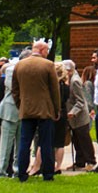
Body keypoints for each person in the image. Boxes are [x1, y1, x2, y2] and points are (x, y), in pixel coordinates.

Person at [13, 40, 61, 182]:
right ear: (41, 50)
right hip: (45, 110)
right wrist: (56, 108)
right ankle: (47, 174)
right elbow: (54, 89)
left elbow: (14, 90)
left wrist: (20, 105)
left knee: (24, 142)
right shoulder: (48, 65)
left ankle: (22, 173)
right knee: (46, 142)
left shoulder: (19, 65)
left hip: (26, 109)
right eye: (46, 50)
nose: (47, 53)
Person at [0, 49, 30, 178]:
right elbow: (13, 87)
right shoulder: (11, 70)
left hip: (25, 112)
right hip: (10, 111)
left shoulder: (29, 72)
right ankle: (1, 170)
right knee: (6, 144)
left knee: (21, 143)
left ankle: (18, 170)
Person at [62, 59, 96, 171]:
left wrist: (73, 112)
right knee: (76, 139)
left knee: (84, 140)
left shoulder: (75, 81)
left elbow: (81, 101)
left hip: (80, 117)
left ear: (69, 70)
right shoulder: (70, 79)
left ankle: (91, 161)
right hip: (74, 118)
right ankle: (80, 162)